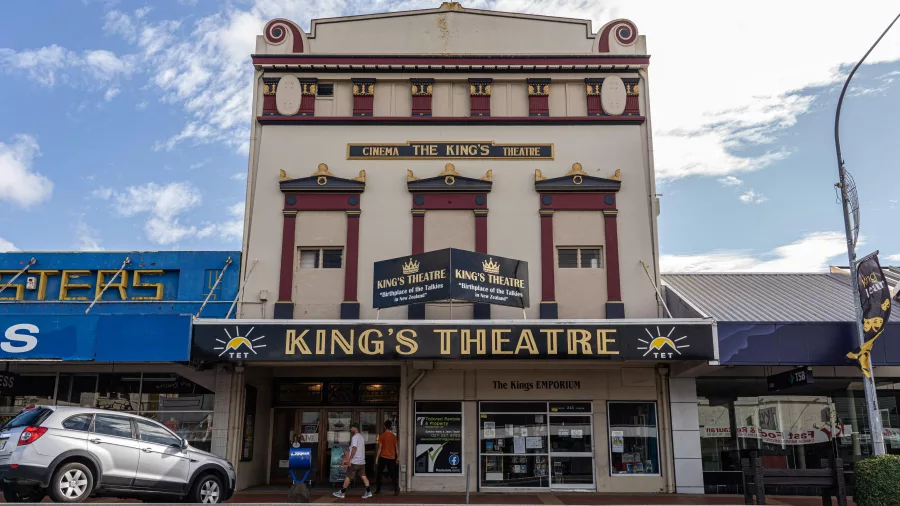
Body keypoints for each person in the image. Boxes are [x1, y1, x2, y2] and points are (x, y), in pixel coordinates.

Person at [333, 423, 372, 499]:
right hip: (362, 461)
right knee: (363, 476)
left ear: (355, 428)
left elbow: (354, 448)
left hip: (355, 461)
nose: (350, 429)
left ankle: (342, 492)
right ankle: (368, 491)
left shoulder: (355, 437)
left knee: (348, 476)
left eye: (351, 428)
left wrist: (350, 459)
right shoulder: (361, 437)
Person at [374, 420, 400, 495]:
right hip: (392, 457)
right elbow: (396, 448)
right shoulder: (394, 436)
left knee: (379, 473)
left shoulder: (381, 436)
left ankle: (378, 490)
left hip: (383, 457)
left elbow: (379, 448)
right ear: (390, 427)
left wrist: (376, 458)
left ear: (384, 426)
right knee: (393, 474)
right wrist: (398, 457)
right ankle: (396, 489)